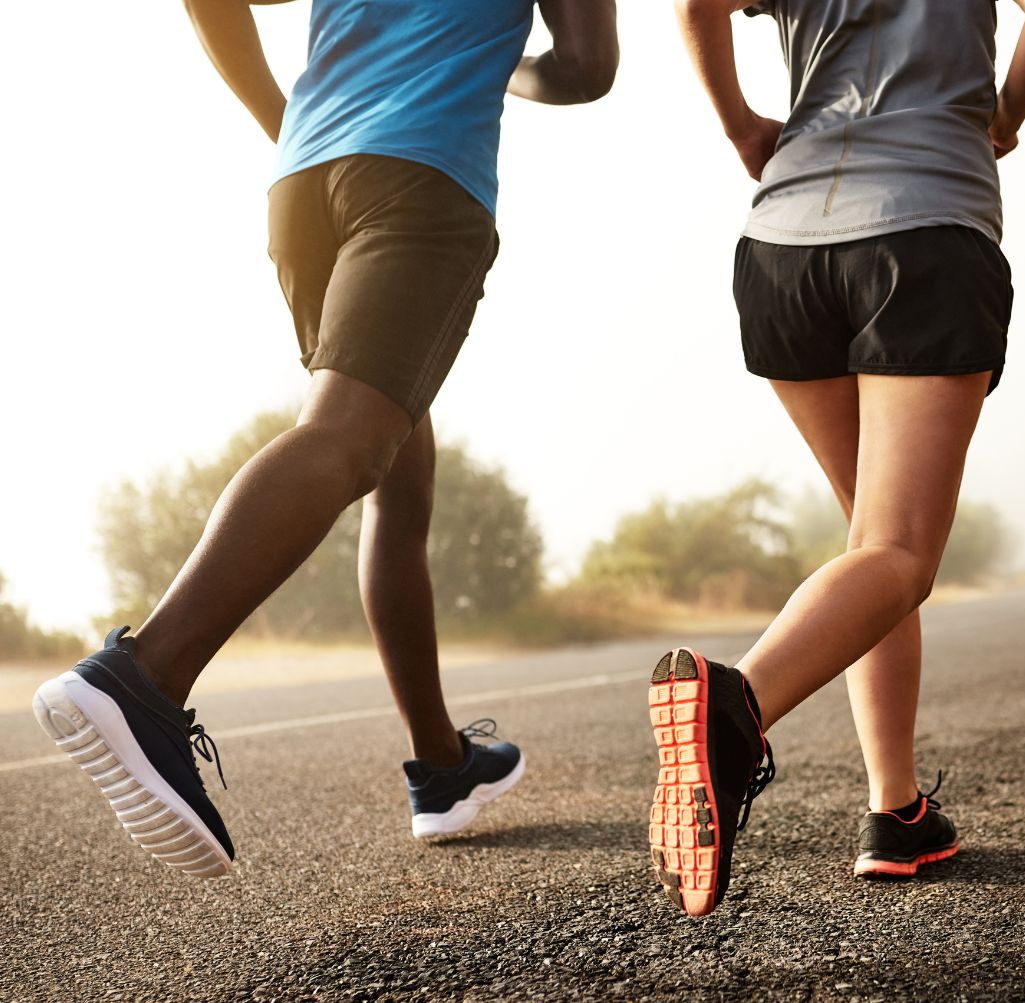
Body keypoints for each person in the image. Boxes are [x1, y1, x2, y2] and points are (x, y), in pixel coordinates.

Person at [32, 0, 619, 878]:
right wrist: (505, 65)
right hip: (422, 173)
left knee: (398, 471)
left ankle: (444, 766)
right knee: (346, 438)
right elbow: (585, 67)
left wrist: (286, 119)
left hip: (306, 182)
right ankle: (145, 676)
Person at [648, 0, 1025, 916]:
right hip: (923, 226)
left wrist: (741, 125)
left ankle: (895, 810)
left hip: (785, 247)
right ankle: (735, 711)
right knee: (897, 552)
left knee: (869, 548)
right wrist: (1009, 109)